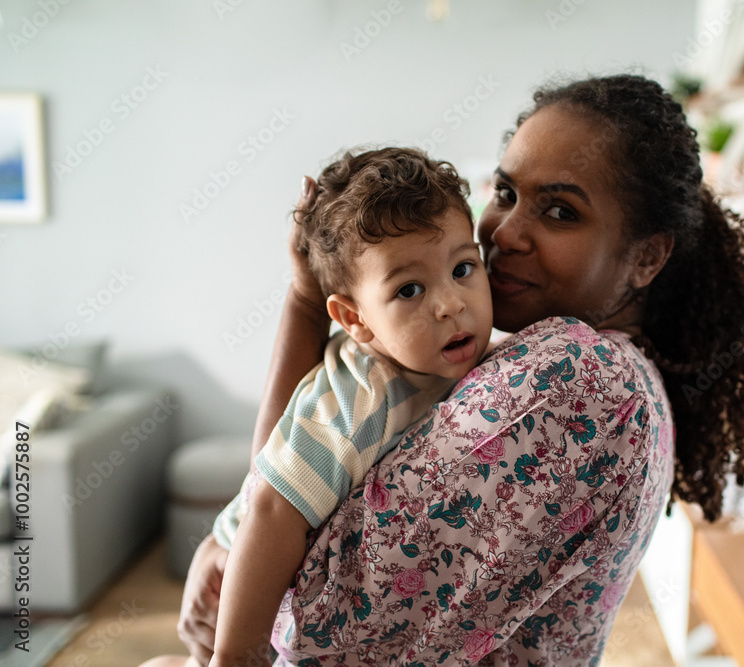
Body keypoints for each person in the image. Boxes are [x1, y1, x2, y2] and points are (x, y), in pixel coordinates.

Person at [170, 73, 744, 666]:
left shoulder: (581, 378)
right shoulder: (536, 361)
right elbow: (291, 469)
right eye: (507, 194)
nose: (506, 234)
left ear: (646, 256)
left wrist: (233, 554)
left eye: (561, 212)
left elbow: (312, 623)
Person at [151, 148, 494, 666]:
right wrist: (235, 656)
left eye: (463, 268)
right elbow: (270, 508)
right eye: (409, 289)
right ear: (355, 320)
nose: (450, 303)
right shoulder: (362, 399)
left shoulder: (456, 359)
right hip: (247, 582)